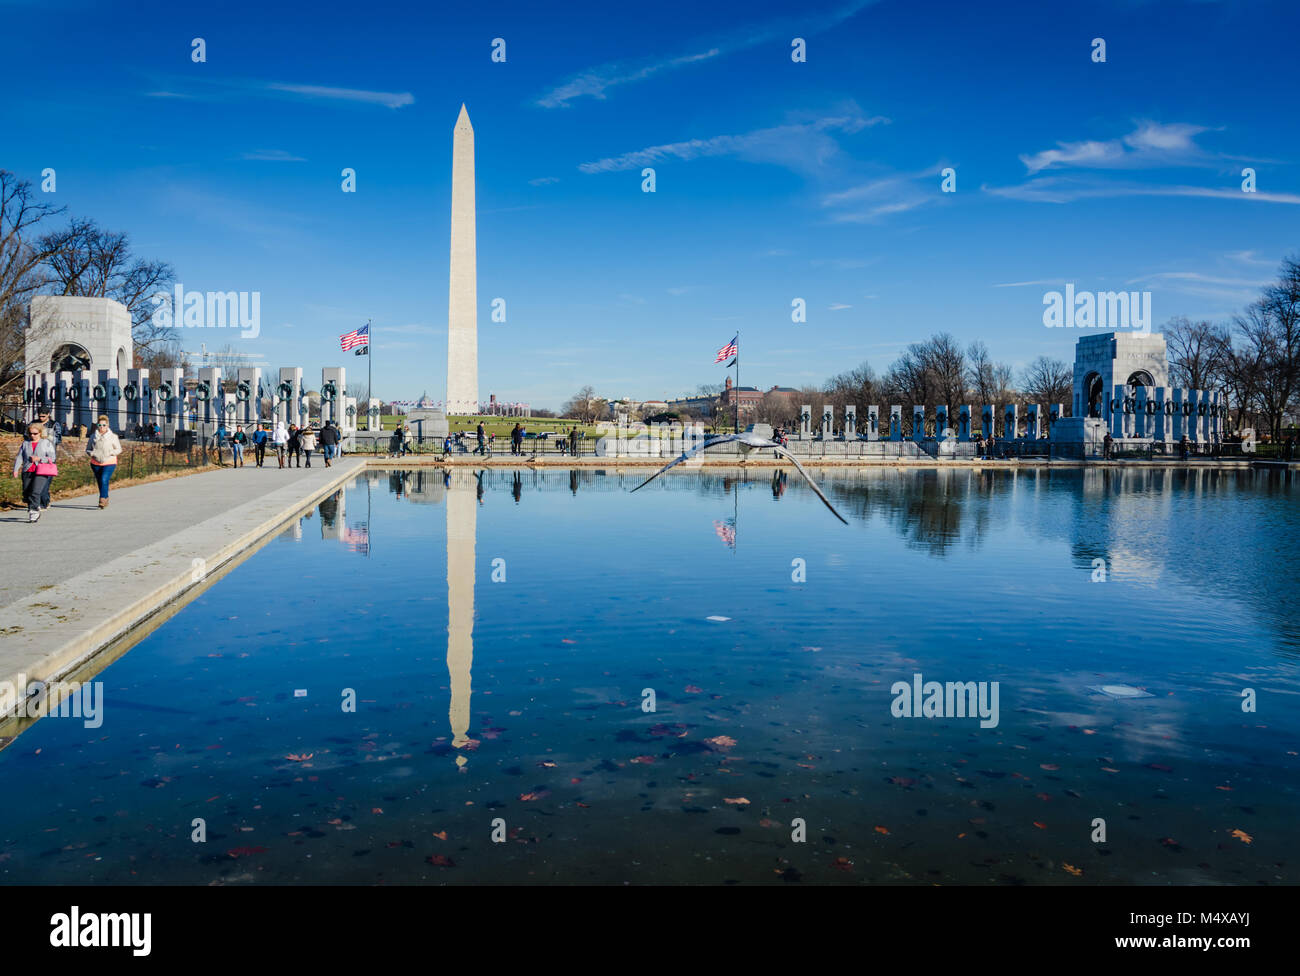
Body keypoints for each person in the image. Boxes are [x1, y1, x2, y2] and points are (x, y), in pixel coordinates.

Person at [12, 423, 58, 523]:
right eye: (30, 433)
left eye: (35, 433)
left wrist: (40, 458)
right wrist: (16, 469)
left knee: (35, 491)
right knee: (27, 492)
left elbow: (52, 457)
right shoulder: (25, 443)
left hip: (41, 470)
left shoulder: (46, 443)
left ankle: (34, 511)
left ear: (40, 433)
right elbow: (20, 457)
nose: (32, 435)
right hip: (27, 470)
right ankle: (33, 506)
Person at [86, 415, 123, 509]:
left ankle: (102, 499)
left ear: (107, 426)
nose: (102, 427)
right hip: (96, 462)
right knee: (100, 482)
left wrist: (111, 452)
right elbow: (88, 449)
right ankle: (105, 497)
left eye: (104, 425)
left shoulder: (113, 437)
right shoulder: (93, 436)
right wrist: (92, 453)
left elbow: (119, 449)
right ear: (97, 425)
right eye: (100, 425)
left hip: (109, 461)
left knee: (104, 479)